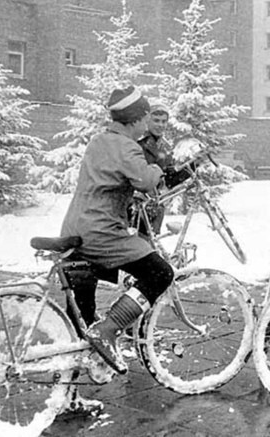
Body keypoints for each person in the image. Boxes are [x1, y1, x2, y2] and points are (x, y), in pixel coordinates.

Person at [60, 85, 175, 374]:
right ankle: (110, 329)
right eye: (145, 118)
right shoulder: (127, 146)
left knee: (81, 316)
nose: (147, 124)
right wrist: (160, 168)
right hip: (101, 231)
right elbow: (146, 181)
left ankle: (69, 393)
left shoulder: (99, 140)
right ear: (135, 120)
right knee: (160, 272)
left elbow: (107, 180)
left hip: (75, 226)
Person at [135, 100, 189, 236]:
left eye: (164, 121)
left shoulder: (164, 147)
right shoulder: (137, 143)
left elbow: (169, 179)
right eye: (156, 120)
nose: (161, 125)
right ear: (147, 121)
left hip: (154, 208)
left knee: (149, 245)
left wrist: (193, 166)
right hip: (137, 208)